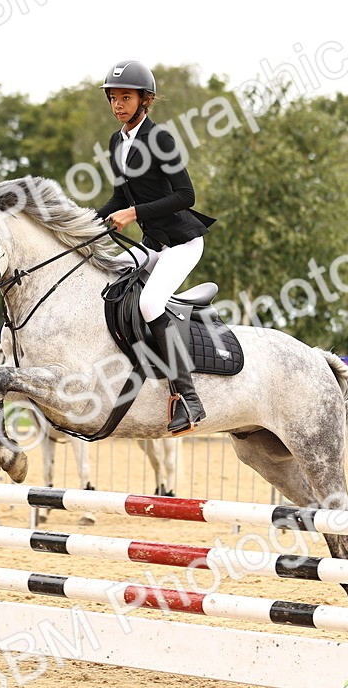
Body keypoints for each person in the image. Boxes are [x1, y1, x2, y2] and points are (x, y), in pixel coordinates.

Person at [94, 59, 217, 436]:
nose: (118, 104)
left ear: (144, 100)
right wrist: (87, 223)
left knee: (150, 303)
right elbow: (119, 195)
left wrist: (133, 213)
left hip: (181, 243)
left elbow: (185, 195)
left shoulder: (160, 138)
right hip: (152, 244)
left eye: (125, 97)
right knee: (107, 274)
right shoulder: (117, 141)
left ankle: (188, 398)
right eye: (113, 98)